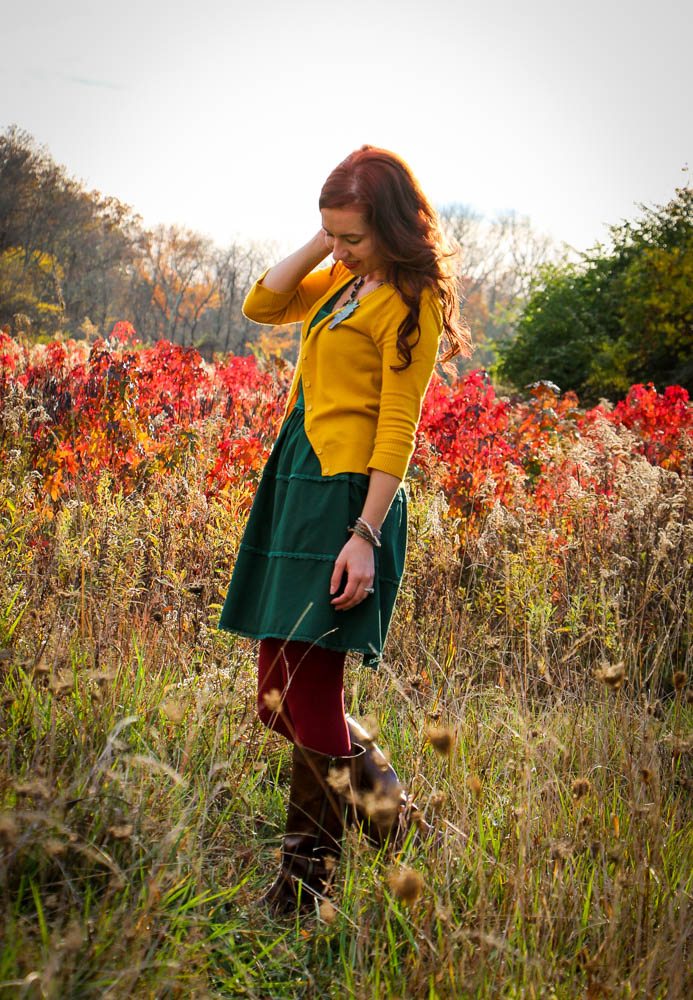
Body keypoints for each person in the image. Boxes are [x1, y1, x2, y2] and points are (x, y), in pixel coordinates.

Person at [218, 145, 471, 914]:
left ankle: (304, 886)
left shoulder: (409, 299)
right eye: (331, 233)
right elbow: (262, 305)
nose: (339, 247)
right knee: (274, 700)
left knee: (312, 690)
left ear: (393, 227)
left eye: (353, 235)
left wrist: (364, 532)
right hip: (295, 480)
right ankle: (398, 825)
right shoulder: (340, 278)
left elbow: (399, 423)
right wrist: (325, 242)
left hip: (346, 499)